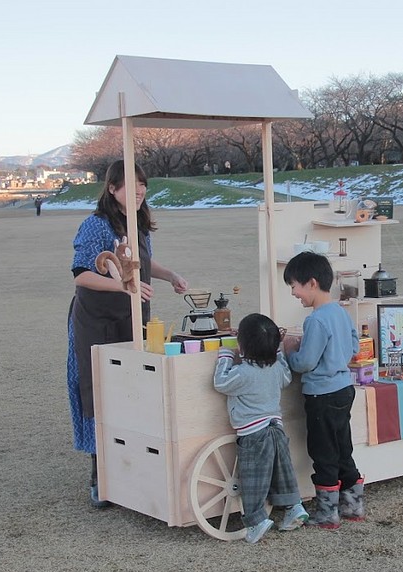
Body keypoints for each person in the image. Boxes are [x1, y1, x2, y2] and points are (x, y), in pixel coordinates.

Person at [66, 159, 188, 508]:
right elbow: (80, 275)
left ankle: (133, 466)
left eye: (142, 184)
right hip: (96, 321)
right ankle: (99, 475)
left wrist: (171, 276)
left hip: (132, 317)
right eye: (130, 184)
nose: (138, 190)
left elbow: (143, 266)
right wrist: (121, 285)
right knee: (98, 389)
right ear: (111, 188)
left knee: (133, 386)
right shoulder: (95, 226)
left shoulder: (138, 224)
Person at [282, 251, 365, 528]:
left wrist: (290, 351)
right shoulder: (340, 312)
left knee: (324, 452)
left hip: (322, 395)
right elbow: (354, 347)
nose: (294, 293)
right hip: (343, 389)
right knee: (343, 448)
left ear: (312, 283)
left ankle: (328, 514)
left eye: (294, 286)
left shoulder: (315, 320)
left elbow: (305, 363)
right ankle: (353, 506)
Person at [213, 313, 309, 544]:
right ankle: (293, 506)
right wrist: (278, 352)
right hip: (276, 427)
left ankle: (256, 520)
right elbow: (286, 377)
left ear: (243, 347)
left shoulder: (243, 373)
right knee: (282, 470)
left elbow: (220, 382)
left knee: (254, 476)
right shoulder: (276, 368)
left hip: (252, 432)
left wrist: (225, 355)